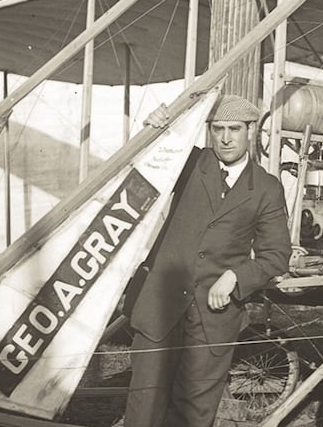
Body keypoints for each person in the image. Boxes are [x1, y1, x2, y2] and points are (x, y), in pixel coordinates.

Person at [123, 94, 290, 427]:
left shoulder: (267, 188)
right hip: (161, 307)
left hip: (214, 320)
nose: (225, 138)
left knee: (194, 415)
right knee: (144, 408)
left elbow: (277, 255)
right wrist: (153, 128)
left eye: (234, 129)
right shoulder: (188, 163)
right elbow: (146, 161)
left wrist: (236, 277)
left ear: (251, 132)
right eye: (218, 129)